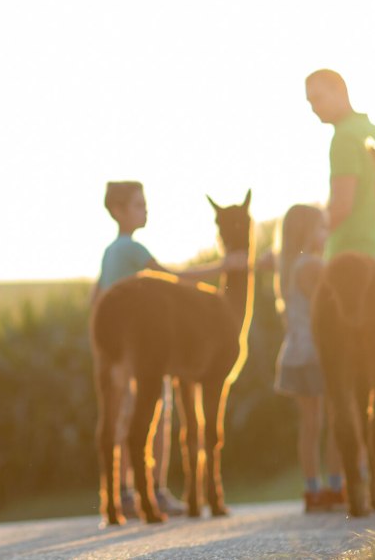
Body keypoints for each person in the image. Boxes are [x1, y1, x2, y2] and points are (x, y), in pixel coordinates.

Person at [93, 180, 247, 518]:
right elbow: (170, 277)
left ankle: (117, 499)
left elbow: (98, 294)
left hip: (114, 328)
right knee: (146, 415)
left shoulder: (109, 252)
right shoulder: (131, 249)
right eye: (138, 204)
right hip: (144, 330)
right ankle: (152, 497)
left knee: (116, 418)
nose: (144, 209)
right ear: (118, 210)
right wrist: (224, 267)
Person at [304, 69, 375, 492]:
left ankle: (352, 490)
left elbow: (343, 206)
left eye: (318, 97)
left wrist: (308, 239)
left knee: (342, 388)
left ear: (340, 91)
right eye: (308, 101)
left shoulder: (344, 138)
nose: (313, 107)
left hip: (346, 265)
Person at [272, 204, 345, 512]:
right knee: (335, 417)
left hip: (295, 353)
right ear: (307, 232)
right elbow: (330, 305)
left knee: (310, 423)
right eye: (322, 228)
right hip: (317, 352)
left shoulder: (288, 265)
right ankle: (337, 485)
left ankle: (312, 489)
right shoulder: (312, 265)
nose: (327, 234)